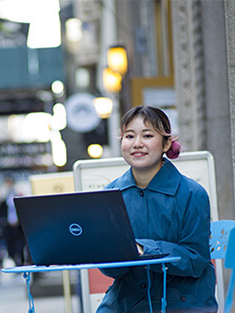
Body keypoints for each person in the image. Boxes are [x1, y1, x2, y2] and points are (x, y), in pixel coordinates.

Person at [97, 106, 217, 313]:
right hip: (127, 301)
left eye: (147, 135)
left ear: (167, 143)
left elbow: (196, 259)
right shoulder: (110, 194)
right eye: (129, 136)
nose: (137, 144)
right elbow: (109, 269)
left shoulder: (192, 193)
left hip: (182, 299)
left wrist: (143, 251)